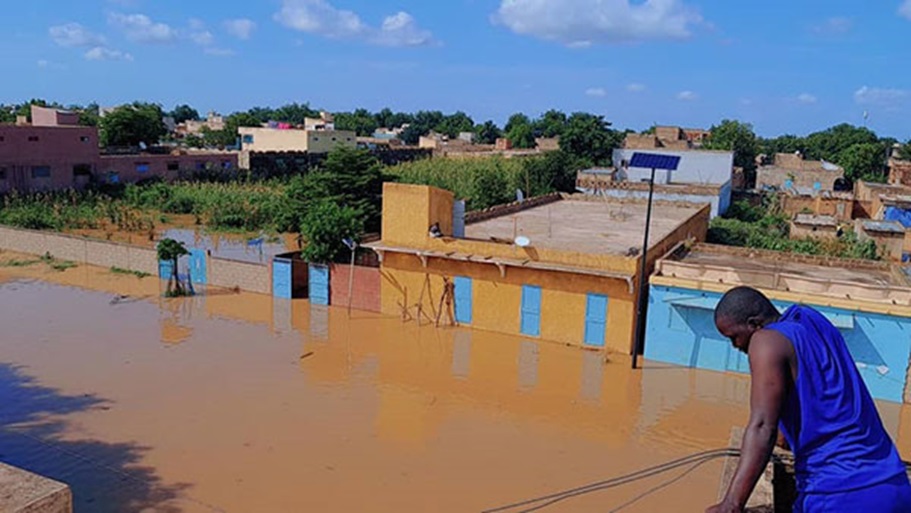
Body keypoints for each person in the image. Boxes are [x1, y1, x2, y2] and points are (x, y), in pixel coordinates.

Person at [707, 286, 911, 513]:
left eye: (734, 337)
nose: (736, 346)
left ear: (755, 325)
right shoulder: (810, 320)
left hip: (839, 495)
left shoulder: (764, 341)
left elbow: (763, 425)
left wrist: (731, 504)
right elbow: (814, 395)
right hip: (894, 485)